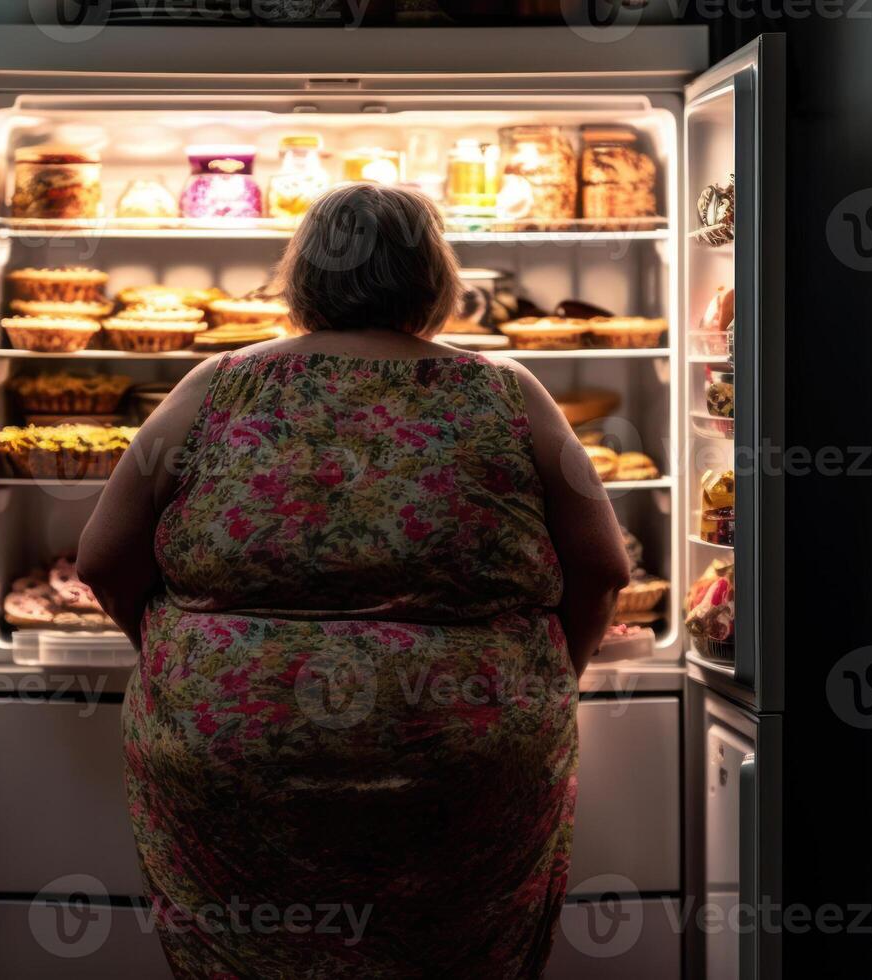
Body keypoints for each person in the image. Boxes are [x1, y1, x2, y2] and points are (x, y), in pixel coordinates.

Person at [78, 183, 630, 978]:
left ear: (302, 276)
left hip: (234, 752)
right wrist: (549, 680)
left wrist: (186, 657)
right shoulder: (506, 393)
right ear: (435, 278)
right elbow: (604, 570)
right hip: (469, 752)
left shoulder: (218, 386)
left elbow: (102, 561)